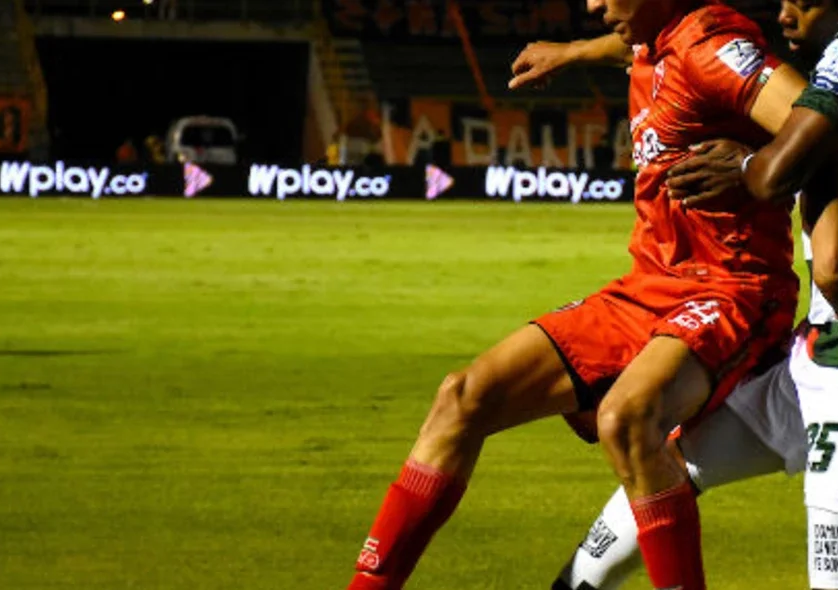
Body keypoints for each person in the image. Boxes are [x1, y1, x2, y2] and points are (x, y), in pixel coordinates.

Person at [345, 1, 812, 589]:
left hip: (732, 287)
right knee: (463, 396)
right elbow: (629, 48)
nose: (593, 4)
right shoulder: (656, 40)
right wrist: (571, 52)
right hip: (651, 285)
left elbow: (816, 117)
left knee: (627, 418)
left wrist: (750, 165)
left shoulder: (708, 44)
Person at [525, 1, 838, 589]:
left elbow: (785, 167)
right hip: (823, 352)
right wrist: (580, 51)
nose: (782, 9)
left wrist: (749, 164)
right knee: (661, 463)